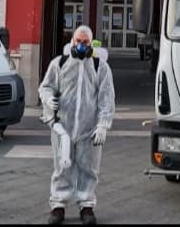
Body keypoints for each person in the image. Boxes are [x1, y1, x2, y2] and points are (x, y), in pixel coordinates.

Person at [39, 25, 116, 225]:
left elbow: (106, 98)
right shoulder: (59, 63)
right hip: (62, 126)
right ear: (72, 41)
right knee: (61, 166)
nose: (81, 46)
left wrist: (103, 125)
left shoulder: (100, 67)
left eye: (85, 43)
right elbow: (46, 86)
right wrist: (48, 100)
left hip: (89, 128)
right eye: (78, 42)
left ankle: (86, 205)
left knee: (88, 168)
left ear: (91, 44)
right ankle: (58, 205)